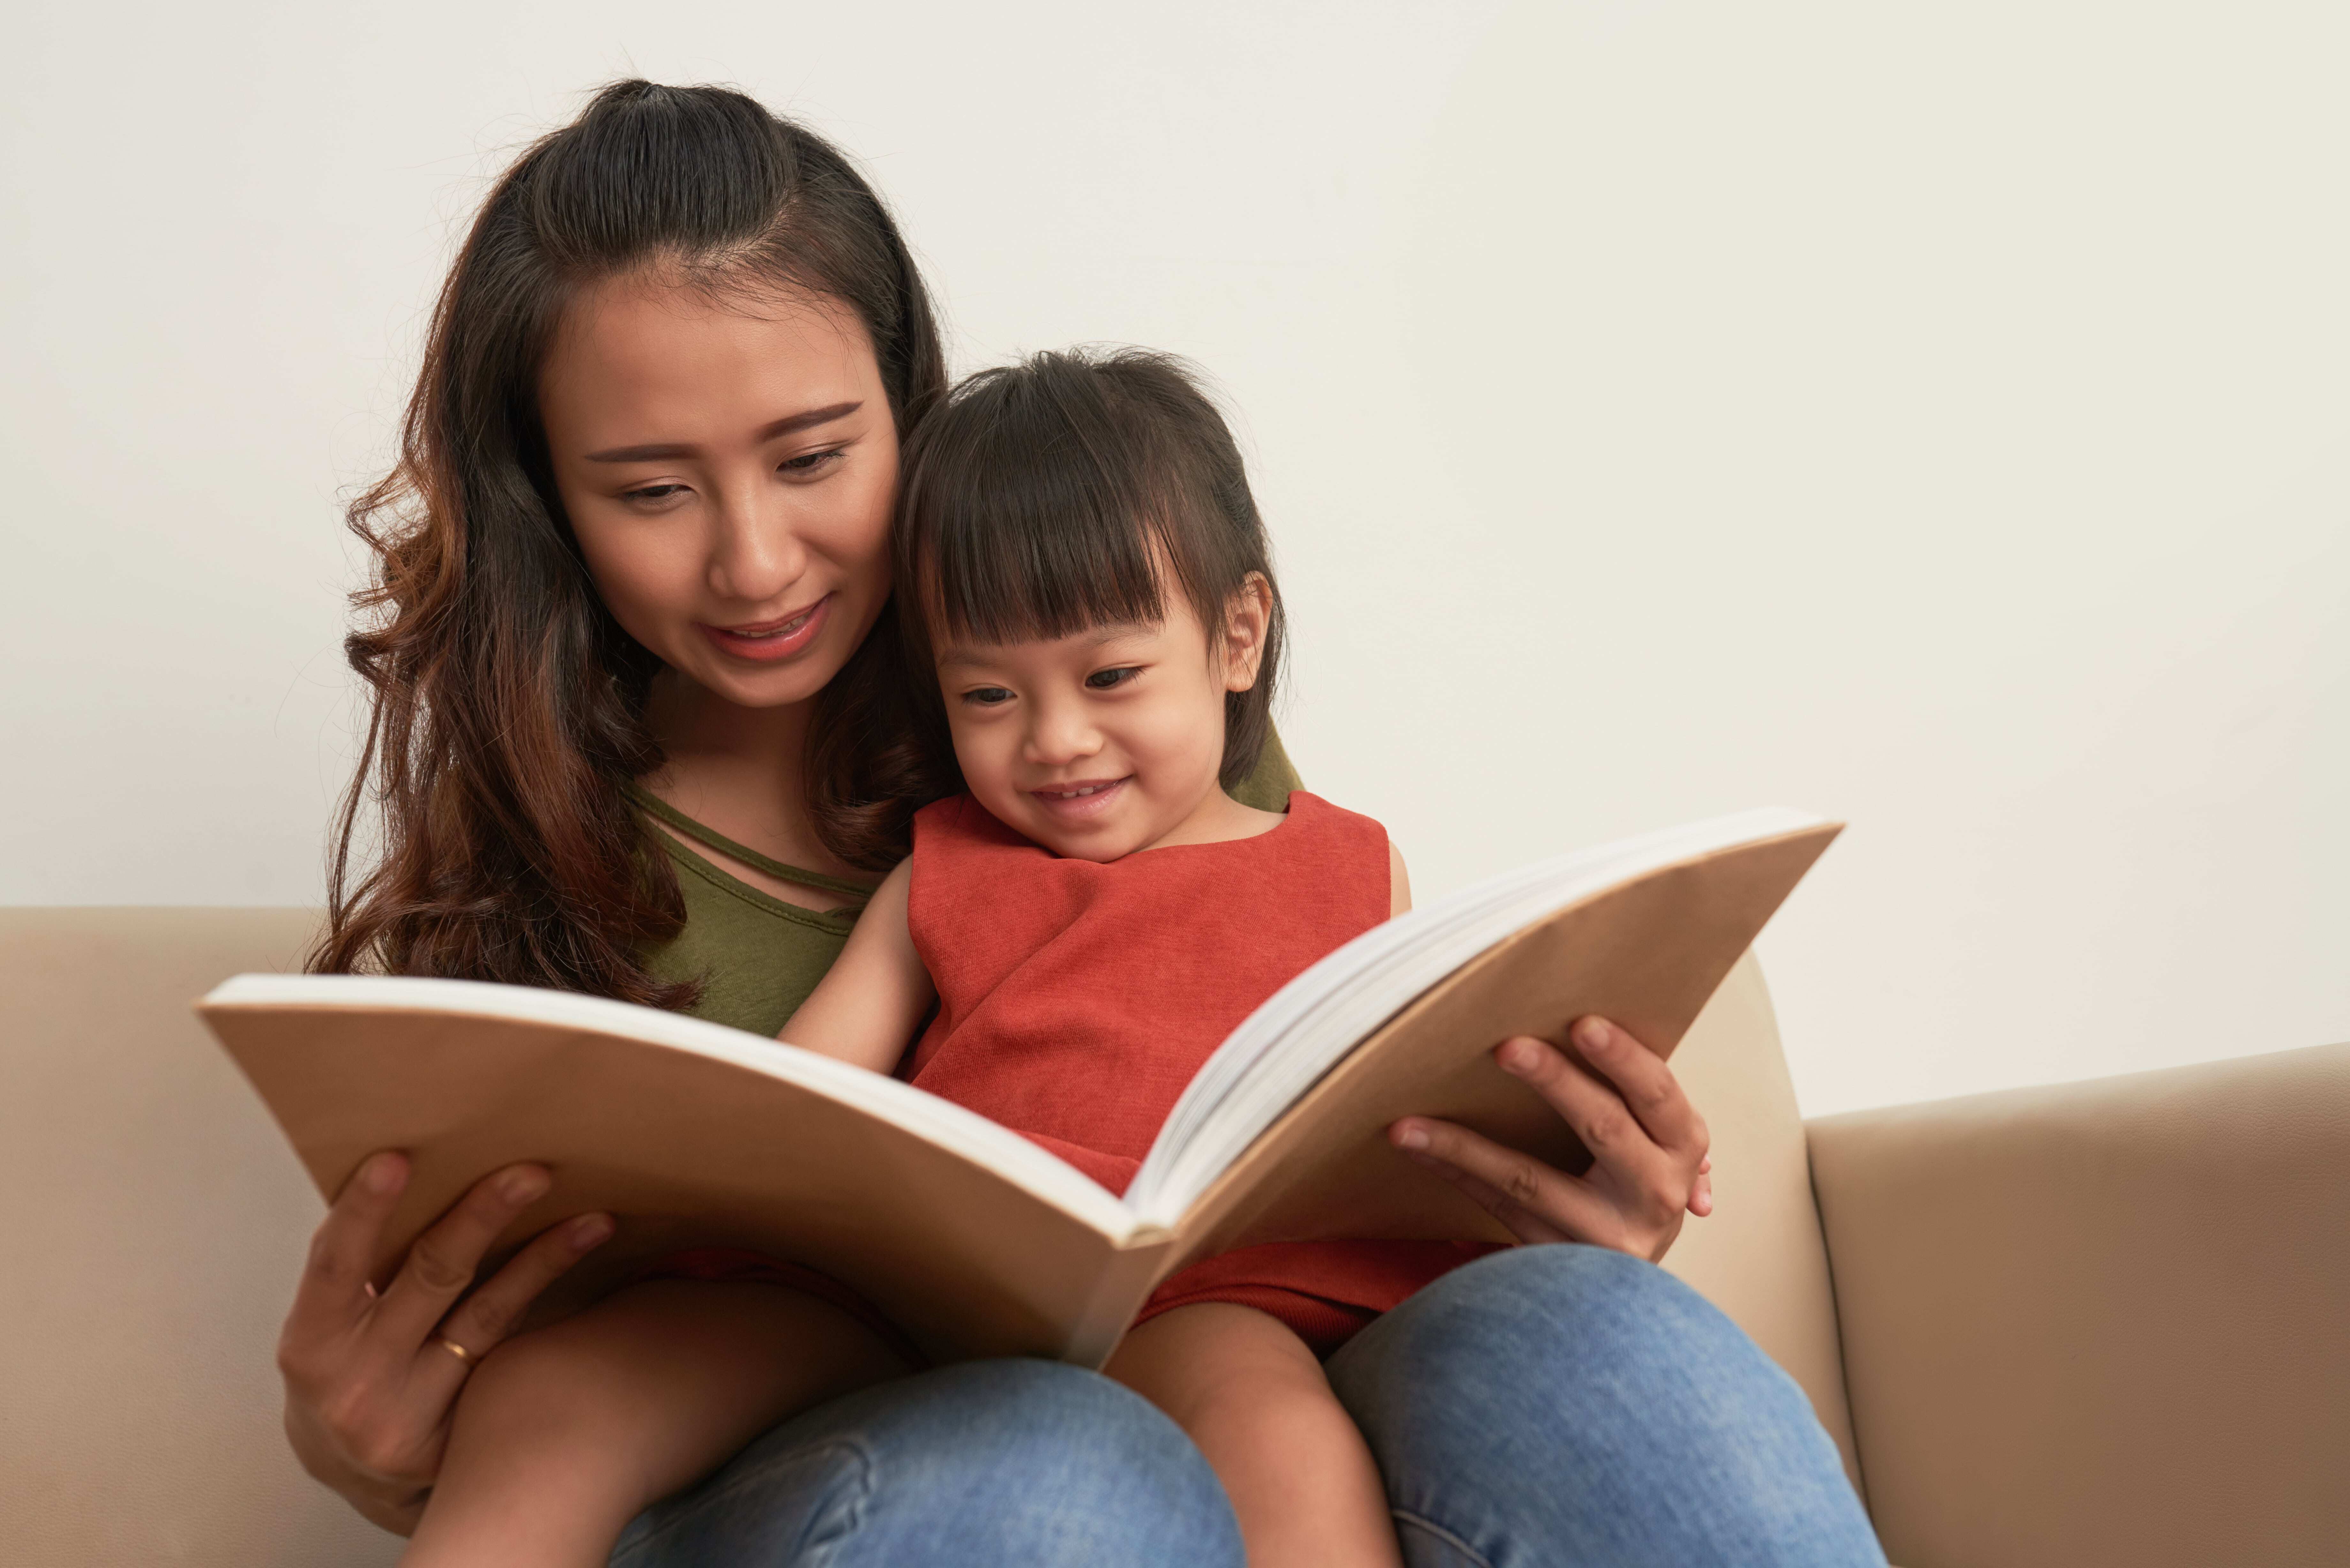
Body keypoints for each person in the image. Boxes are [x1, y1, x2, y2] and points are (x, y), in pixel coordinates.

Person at [283, 79, 1888, 1566]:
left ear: (911, 414)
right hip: (836, 1468)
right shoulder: (540, 890)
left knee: (1598, 1344)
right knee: (1063, 1457)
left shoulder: (1111, 736)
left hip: (1234, 1356)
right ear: (544, 502)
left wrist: (1558, 1200)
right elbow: (542, 1387)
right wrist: (360, 1441)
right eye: (651, 490)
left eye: (816, 455)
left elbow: (1307, 1072)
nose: (757, 560)